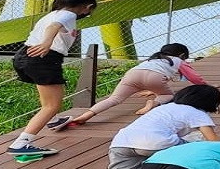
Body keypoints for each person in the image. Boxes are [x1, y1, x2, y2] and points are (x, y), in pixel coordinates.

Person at [67, 84, 220, 169]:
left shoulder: (164, 108)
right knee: (194, 145)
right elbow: (213, 141)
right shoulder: (198, 113)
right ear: (210, 103)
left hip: (122, 141)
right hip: (155, 142)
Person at [6, 0, 99, 158]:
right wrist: (47, 42)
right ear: (88, 7)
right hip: (43, 57)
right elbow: (54, 27)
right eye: (90, 10)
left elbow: (53, 25)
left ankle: (54, 120)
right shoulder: (68, 15)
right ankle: (21, 143)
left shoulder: (53, 13)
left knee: (48, 101)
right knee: (52, 105)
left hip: (24, 55)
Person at [46, 42, 206, 129]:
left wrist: (148, 89)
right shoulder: (178, 61)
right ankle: (153, 103)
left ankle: (86, 115)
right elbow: (193, 77)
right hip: (156, 79)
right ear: (182, 55)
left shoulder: (151, 60)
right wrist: (206, 86)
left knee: (114, 99)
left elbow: (145, 74)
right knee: (167, 95)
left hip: (132, 74)